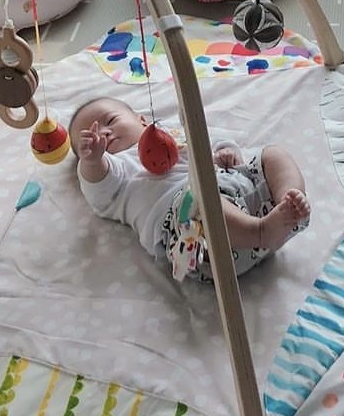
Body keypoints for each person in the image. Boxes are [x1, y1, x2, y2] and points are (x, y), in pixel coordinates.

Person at [68, 96, 311, 283]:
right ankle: (259, 232)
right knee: (197, 200)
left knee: (273, 155)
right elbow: (96, 184)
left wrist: (226, 152)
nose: (102, 134)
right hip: (202, 242)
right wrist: (93, 160)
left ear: (142, 120)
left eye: (110, 121)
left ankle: (288, 202)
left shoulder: (170, 133)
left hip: (241, 195)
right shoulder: (116, 169)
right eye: (89, 138)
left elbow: (208, 138)